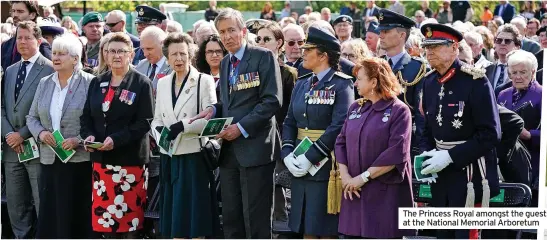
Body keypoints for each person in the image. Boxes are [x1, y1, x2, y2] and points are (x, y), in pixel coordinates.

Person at [189, 8, 281, 238]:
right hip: (229, 153)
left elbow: (272, 101)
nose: (227, 36)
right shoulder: (226, 62)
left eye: (231, 30)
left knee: (256, 219)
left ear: (242, 31)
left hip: (255, 149)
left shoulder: (263, 57)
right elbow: (229, 104)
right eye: (222, 32)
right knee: (231, 217)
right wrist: (212, 110)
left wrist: (240, 128)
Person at [419, 23, 500, 239]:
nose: (429, 52)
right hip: (439, 174)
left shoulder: (475, 81)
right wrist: (428, 155)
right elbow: (426, 127)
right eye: (427, 47)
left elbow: (490, 133)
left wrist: (450, 156)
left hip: (469, 175)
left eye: (436, 47)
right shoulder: (429, 82)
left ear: (455, 48)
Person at [281, 26, 354, 238]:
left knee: (323, 229)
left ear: (323, 55)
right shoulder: (302, 83)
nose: (302, 52)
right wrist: (287, 154)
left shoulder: (342, 85)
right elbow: (289, 121)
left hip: (324, 165)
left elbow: (339, 126)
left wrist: (311, 156)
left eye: (308, 49)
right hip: (298, 162)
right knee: (305, 228)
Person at [80, 32, 154, 238]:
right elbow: (86, 117)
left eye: (121, 51)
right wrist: (89, 137)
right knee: (106, 225)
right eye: (111, 51)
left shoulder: (141, 83)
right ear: (105, 54)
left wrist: (116, 139)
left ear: (131, 54)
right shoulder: (97, 82)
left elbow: (145, 122)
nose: (116, 55)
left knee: (128, 225)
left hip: (129, 164)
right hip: (101, 165)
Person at [25, 33, 95, 238]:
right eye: (54, 53)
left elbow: (96, 123)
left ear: (75, 58)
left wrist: (79, 141)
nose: (55, 57)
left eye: (62, 54)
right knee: (50, 214)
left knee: (76, 214)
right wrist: (41, 133)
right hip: (49, 159)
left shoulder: (89, 82)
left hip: (78, 160)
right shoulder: (45, 82)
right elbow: (31, 117)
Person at [149, 32, 218, 238]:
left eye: (183, 54)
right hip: (169, 155)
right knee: (174, 214)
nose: (178, 59)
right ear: (167, 58)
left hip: (193, 156)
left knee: (194, 215)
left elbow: (210, 118)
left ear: (191, 55)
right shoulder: (162, 83)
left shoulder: (203, 81)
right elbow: (156, 118)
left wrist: (184, 126)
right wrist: (159, 130)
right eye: (173, 55)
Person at [336, 57, 413, 239]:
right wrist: (346, 177)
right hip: (353, 193)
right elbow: (341, 142)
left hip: (383, 198)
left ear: (374, 81)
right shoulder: (356, 107)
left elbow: (396, 152)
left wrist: (362, 178)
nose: (355, 83)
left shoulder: (399, 111)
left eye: (359, 79)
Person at [1, 21, 54, 239]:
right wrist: (9, 135)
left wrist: (21, 134)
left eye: (27, 38)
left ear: (39, 41)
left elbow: (49, 111)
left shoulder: (50, 68)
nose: (22, 42)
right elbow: (2, 106)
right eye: (18, 38)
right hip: (12, 150)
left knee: (42, 201)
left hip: (38, 147)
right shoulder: (11, 70)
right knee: (16, 204)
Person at [377, 9, 427, 159]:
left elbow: (420, 113)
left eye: (386, 31)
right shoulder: (377, 65)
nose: (381, 35)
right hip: (377, 138)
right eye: (381, 31)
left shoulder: (418, 67)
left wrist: (419, 147)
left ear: (402, 35)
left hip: (405, 138)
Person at [497, 49, 541, 207]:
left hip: (533, 162)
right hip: (504, 161)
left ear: (533, 72)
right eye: (513, 72)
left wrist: (530, 135)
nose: (517, 76)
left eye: (523, 72)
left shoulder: (542, 95)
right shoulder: (502, 94)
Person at [1, 1, 51, 71]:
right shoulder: (6, 45)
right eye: (13, 11)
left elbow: (50, 72)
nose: (15, 15)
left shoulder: (41, 45)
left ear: (32, 15)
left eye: (20, 11)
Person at [485, 24, 522, 95]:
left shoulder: (522, 71)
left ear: (517, 46)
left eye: (507, 41)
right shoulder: (487, 70)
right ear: (495, 45)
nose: (502, 43)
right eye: (499, 40)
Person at [135, 26, 171, 91]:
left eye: (149, 49)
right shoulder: (141, 65)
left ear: (162, 44)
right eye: (143, 49)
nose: (145, 54)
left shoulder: (173, 66)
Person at [195, 34, 227, 99]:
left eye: (218, 51)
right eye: (210, 52)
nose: (214, 55)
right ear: (204, 55)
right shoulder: (199, 79)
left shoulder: (231, 76)